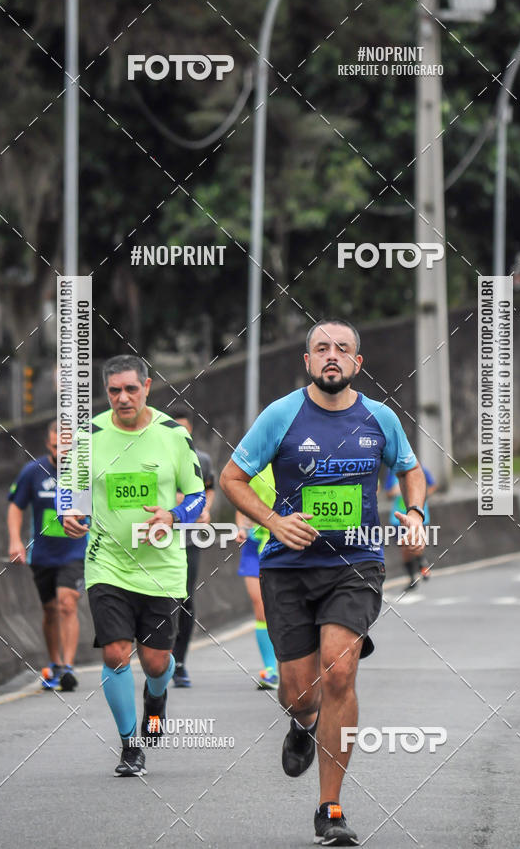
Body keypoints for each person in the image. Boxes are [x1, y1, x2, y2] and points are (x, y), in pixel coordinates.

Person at [220, 319, 427, 846]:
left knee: (340, 670)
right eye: (321, 348)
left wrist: (416, 512)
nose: (331, 355)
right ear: (307, 361)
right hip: (288, 569)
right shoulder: (281, 415)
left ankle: (330, 809)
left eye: (342, 349)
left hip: (355, 563)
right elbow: (231, 479)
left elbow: (410, 470)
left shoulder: (379, 418)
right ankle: (302, 723)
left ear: (357, 362)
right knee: (299, 694)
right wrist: (272, 521)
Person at [63, 355, 205, 777]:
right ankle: (130, 745)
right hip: (106, 563)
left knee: (157, 663)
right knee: (115, 653)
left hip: (161, 567)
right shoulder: (88, 436)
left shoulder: (172, 435)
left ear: (147, 387)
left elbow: (196, 495)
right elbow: (70, 492)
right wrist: (69, 512)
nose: (123, 398)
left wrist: (174, 516)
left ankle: (156, 701)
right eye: (114, 391)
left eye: (131, 389)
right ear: (106, 393)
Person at [8, 419, 86, 691]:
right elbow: (16, 507)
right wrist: (16, 541)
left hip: (75, 551)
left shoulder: (85, 473)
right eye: (56, 447)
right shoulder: (33, 471)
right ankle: (54, 664)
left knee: (68, 602)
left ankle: (68, 667)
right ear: (48, 444)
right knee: (50, 610)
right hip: (42, 555)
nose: (61, 452)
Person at [168, 403, 216, 688]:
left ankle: (181, 662)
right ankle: (160, 659)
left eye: (185, 431)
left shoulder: (202, 460)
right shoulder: (153, 459)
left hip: (189, 540)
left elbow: (209, 488)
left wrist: (205, 509)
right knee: (159, 601)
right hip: (158, 540)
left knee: (185, 599)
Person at [234, 465, 278, 689]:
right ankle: (271, 669)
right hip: (254, 543)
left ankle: (292, 664)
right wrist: (241, 527)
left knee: (286, 606)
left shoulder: (293, 455)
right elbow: (240, 500)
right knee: (260, 604)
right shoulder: (253, 463)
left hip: (285, 540)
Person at [383, 464, 437, 590]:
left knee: (416, 545)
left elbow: (432, 486)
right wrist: (394, 492)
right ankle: (412, 577)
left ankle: (422, 564)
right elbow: (388, 493)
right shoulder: (391, 471)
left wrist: (420, 495)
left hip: (418, 517)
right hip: (398, 519)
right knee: (404, 549)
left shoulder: (419, 468)